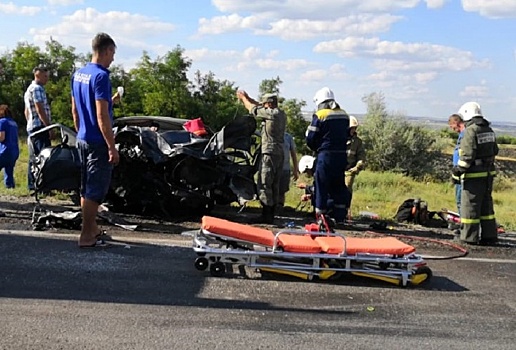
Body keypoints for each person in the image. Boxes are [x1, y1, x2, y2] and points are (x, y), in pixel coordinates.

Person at [71, 32, 121, 248]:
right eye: (113, 54)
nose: (113, 59)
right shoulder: (101, 76)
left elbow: (75, 109)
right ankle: (86, 236)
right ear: (107, 50)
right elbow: (102, 116)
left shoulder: (79, 73)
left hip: (83, 138)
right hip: (98, 142)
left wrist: (80, 131)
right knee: (95, 191)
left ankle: (91, 229)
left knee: (85, 188)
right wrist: (112, 146)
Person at [452, 102, 498, 245]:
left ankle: (468, 238)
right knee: (486, 207)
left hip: (473, 176)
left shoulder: (471, 130)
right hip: (488, 175)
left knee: (470, 207)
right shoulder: (489, 129)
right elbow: (495, 150)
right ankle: (489, 236)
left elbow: (467, 156)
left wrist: (457, 172)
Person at [236, 90, 286, 224]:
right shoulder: (280, 113)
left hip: (269, 152)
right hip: (279, 152)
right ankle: (271, 213)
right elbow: (258, 105)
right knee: (274, 184)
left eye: (265, 104)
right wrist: (248, 97)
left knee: (264, 183)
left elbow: (253, 109)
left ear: (268, 104)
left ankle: (266, 215)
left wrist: (243, 99)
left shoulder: (270, 114)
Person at [306, 87, 349, 223]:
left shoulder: (320, 115)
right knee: (339, 185)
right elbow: (347, 135)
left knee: (321, 185)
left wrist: (315, 148)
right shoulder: (345, 115)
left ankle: (321, 217)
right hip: (341, 156)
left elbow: (311, 138)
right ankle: (340, 216)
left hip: (326, 155)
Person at [24, 66, 51, 191]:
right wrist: (48, 127)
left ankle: (32, 184)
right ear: (38, 75)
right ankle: (41, 186)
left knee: (34, 157)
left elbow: (26, 111)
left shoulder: (29, 89)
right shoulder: (37, 89)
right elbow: (40, 108)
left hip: (32, 126)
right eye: (45, 76)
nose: (47, 79)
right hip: (40, 127)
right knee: (43, 156)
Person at [344, 115, 366, 213]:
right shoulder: (339, 138)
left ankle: (345, 210)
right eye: (352, 128)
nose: (353, 130)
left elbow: (361, 156)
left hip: (349, 170)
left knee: (347, 189)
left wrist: (357, 167)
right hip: (337, 169)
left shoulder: (357, 142)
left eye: (355, 128)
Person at [448, 113, 465, 215]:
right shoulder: (462, 135)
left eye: (452, 126)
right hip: (458, 172)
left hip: (461, 173)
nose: (452, 129)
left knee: (461, 201)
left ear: (456, 122)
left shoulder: (465, 135)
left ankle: (465, 226)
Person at [278, 132, 299, 211]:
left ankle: (280, 207)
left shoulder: (288, 137)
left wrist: (295, 170)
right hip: (274, 168)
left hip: (285, 168)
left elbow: (293, 154)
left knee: (282, 190)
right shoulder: (272, 134)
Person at [0, 105, 19, 188]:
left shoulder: (2, 122)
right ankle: (10, 186)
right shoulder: (14, 123)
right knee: (9, 170)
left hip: (5, 150)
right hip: (14, 151)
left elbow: (2, 137)